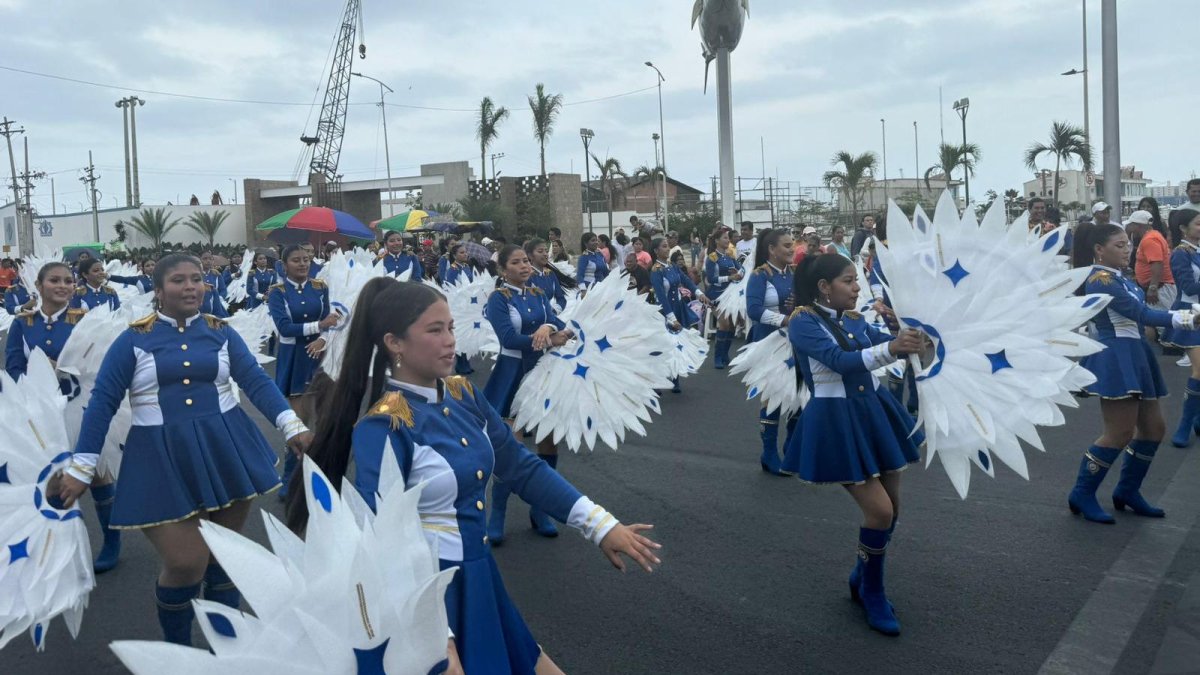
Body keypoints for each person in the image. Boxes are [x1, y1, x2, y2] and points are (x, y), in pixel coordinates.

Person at [288, 277, 660, 673]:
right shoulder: (384, 426)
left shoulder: (464, 394)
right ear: (395, 343)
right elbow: (383, 541)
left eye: (450, 327)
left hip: (480, 579)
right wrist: (435, 636)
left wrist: (600, 525)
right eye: (435, 330)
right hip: (430, 600)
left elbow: (520, 466)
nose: (450, 340)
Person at [53, 253, 314, 645]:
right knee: (186, 562)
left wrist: (291, 424)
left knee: (225, 557)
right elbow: (103, 402)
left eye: (196, 278)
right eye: (178, 280)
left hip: (225, 448)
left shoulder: (220, 332)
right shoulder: (133, 339)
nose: (191, 287)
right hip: (159, 456)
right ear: (158, 290)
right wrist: (82, 466)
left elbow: (256, 381)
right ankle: (177, 650)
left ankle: (228, 646)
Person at [780, 253, 926, 636]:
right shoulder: (802, 322)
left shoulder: (856, 319)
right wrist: (892, 349)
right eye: (848, 280)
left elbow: (886, 343)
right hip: (835, 420)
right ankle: (873, 591)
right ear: (824, 287)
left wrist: (914, 338)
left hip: (874, 410)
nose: (857, 287)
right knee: (879, 511)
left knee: (893, 509)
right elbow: (839, 360)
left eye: (856, 279)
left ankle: (863, 575)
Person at [1069, 224, 1193, 524]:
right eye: (1119, 245)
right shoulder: (1099, 280)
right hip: (1116, 355)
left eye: (1128, 244)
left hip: (1136, 353)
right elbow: (1140, 314)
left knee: (1154, 429)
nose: (1128, 250)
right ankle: (1082, 493)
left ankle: (1127, 490)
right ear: (1099, 249)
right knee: (1120, 432)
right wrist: (1188, 318)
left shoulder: (1119, 278)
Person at [483, 245, 576, 542]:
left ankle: (540, 509)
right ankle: (498, 512)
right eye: (516, 262)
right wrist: (549, 338)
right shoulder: (498, 299)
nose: (524, 266)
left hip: (543, 374)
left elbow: (562, 326)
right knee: (511, 447)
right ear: (503, 269)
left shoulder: (537, 293)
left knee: (549, 443)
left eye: (526, 261)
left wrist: (548, 326)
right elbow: (508, 338)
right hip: (511, 375)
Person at [267, 244, 340, 500]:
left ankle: (323, 476)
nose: (302, 264)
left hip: (321, 359)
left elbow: (334, 321)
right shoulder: (278, 292)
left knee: (326, 422)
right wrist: (319, 326)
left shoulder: (320, 288)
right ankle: (290, 476)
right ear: (284, 265)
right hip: (295, 360)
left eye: (306, 259)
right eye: (296, 260)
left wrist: (323, 338)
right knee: (299, 424)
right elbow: (285, 328)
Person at [746, 229, 797, 475]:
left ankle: (792, 447)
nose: (792, 249)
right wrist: (784, 319)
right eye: (786, 245)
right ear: (771, 249)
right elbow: (753, 310)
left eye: (792, 244)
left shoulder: (793, 274)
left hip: (794, 342)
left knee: (798, 394)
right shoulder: (759, 275)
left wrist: (798, 306)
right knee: (773, 397)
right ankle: (769, 453)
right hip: (768, 343)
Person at [650, 237, 709, 391]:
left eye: (667, 246)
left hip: (678, 307)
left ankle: (675, 379)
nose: (667, 249)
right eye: (664, 246)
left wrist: (699, 293)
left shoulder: (672, 266)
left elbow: (686, 280)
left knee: (677, 344)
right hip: (664, 311)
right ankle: (657, 381)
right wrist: (671, 318)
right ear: (656, 251)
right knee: (663, 346)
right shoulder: (656, 271)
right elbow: (661, 297)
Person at [1165, 210, 1200, 446]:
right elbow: (1188, 286)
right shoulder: (1180, 253)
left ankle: (1197, 418)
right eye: (1198, 224)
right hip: (1190, 315)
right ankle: (1185, 424)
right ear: (1183, 228)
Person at [704, 227, 742, 369]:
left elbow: (741, 271)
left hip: (730, 294)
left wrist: (737, 272)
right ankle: (717, 357)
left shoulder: (730, 256)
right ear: (717, 241)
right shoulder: (712, 257)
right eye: (725, 238)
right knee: (724, 323)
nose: (728, 240)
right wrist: (729, 277)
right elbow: (711, 279)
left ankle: (725, 354)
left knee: (732, 324)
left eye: (728, 238)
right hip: (716, 294)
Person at [1131, 210, 1176, 320]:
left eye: (1132, 225)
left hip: (1160, 289)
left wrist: (1153, 288)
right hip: (1160, 287)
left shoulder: (1150, 239)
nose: (1130, 228)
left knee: (1160, 320)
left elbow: (1157, 263)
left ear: (1138, 225)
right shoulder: (1153, 235)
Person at [443, 243, 477, 376]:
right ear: (454, 255)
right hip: (458, 305)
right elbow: (450, 288)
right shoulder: (452, 270)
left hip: (469, 304)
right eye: (462, 252)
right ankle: (461, 364)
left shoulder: (467, 267)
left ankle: (466, 362)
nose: (465, 254)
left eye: (465, 252)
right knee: (460, 333)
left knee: (468, 333)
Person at [526, 237, 575, 311]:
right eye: (540, 251)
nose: (545, 254)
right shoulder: (526, 277)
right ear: (530, 256)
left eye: (546, 251)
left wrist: (555, 310)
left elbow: (561, 299)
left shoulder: (550, 274)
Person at [1167, 179, 1200, 248]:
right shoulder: (1179, 211)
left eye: (1199, 191)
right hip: (1188, 249)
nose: (1197, 194)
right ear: (1187, 192)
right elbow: (1173, 233)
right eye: (1194, 191)